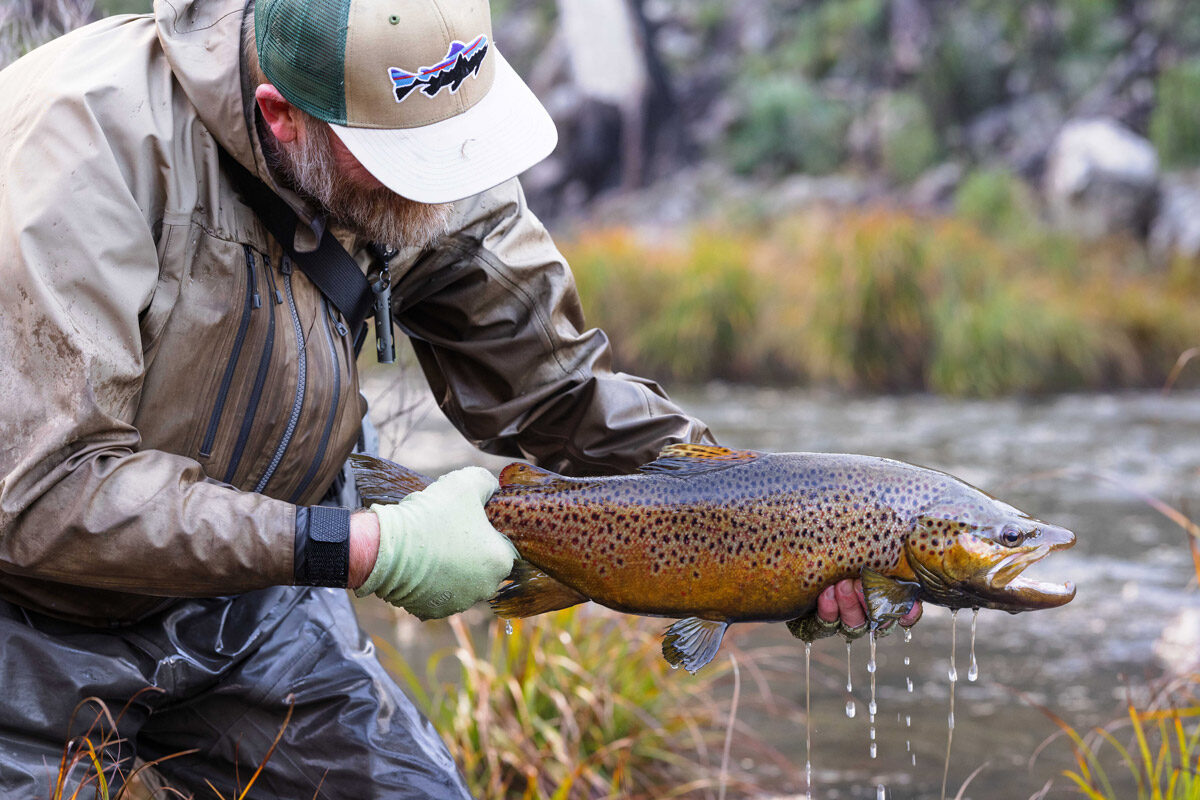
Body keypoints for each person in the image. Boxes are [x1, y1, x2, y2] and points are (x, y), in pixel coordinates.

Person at [0, 0, 919, 796]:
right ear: (284, 118)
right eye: (413, 163)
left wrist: (767, 516)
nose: (446, 191)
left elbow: (557, 392)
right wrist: (366, 546)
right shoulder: (77, 153)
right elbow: (42, 494)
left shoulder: (426, 146)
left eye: (454, 149)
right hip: (25, 626)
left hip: (251, 605)